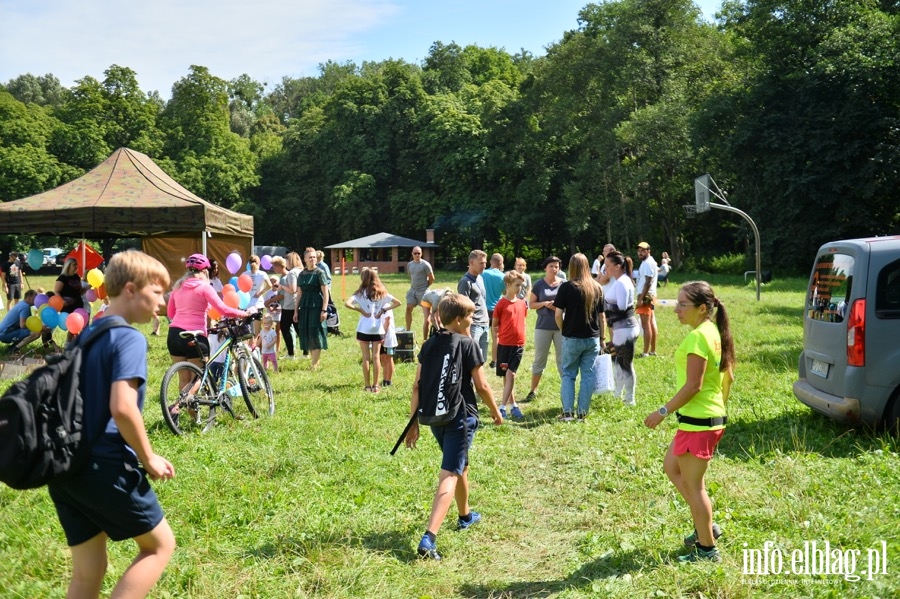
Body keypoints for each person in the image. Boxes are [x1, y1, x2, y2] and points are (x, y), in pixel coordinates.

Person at [47, 250, 176, 598]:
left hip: (64, 465)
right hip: (103, 463)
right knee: (159, 546)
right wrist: (148, 457)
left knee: (89, 573)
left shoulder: (87, 335)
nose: (161, 303)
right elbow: (122, 407)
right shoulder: (129, 338)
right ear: (131, 290)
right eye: (157, 292)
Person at [404, 293, 503, 561]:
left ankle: (465, 516)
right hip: (460, 417)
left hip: (435, 418)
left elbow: (417, 385)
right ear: (459, 320)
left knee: (460, 465)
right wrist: (496, 412)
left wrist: (413, 424)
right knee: (450, 472)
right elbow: (481, 386)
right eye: (470, 315)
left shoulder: (428, 344)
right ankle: (429, 539)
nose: (473, 319)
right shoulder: (468, 344)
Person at [643, 281, 735, 562]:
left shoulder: (699, 337)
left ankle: (707, 548)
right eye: (677, 303)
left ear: (703, 308)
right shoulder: (711, 331)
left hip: (700, 421)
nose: (677, 310)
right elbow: (727, 377)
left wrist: (661, 412)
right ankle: (706, 524)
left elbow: (693, 385)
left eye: (683, 305)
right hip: (700, 420)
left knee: (696, 488)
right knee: (671, 467)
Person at [166, 254, 247, 388]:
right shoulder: (205, 287)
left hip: (174, 335)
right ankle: (181, 404)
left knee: (183, 379)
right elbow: (223, 309)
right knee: (198, 377)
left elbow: (170, 313)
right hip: (195, 336)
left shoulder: (178, 287)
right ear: (204, 271)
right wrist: (243, 314)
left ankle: (183, 406)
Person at [553, 253, 603, 421]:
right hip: (592, 338)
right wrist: (602, 338)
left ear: (571, 267)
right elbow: (602, 317)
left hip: (571, 337)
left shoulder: (566, 287)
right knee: (588, 375)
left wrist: (563, 329)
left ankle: (567, 413)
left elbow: (558, 315)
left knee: (568, 374)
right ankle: (582, 413)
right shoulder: (597, 287)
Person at [345, 268, 401, 392]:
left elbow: (347, 303)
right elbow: (398, 302)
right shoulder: (382, 292)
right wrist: (383, 310)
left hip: (364, 328)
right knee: (376, 357)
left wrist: (360, 310)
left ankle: (366, 385)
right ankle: (376, 386)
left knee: (365, 357)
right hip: (378, 329)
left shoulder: (360, 293)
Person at [524, 256, 564, 403]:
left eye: (557, 266)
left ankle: (565, 390)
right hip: (543, 326)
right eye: (551, 266)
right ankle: (533, 390)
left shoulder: (564, 284)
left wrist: (558, 308)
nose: (554, 269)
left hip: (561, 327)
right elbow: (531, 304)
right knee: (540, 359)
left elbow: (570, 305)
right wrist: (545, 303)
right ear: (545, 268)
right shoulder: (539, 284)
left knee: (563, 360)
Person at [604, 251, 641, 406]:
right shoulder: (621, 280)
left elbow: (622, 306)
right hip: (622, 328)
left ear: (618, 266)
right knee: (618, 361)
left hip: (625, 329)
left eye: (608, 265)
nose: (605, 269)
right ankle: (619, 393)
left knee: (625, 363)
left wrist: (603, 306)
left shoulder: (621, 282)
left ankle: (630, 398)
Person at [491, 270, 527, 420]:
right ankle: (514, 406)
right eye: (517, 285)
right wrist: (496, 346)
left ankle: (501, 407)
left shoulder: (522, 303)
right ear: (508, 285)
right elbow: (494, 326)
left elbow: (523, 322)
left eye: (521, 285)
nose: (520, 288)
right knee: (507, 377)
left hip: (518, 345)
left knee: (511, 374)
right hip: (505, 345)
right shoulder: (501, 304)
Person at [295, 247, 330, 370]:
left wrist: (324, 310)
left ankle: (314, 364)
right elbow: (299, 294)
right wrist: (295, 311)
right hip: (304, 306)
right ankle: (314, 360)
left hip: (316, 305)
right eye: (310, 257)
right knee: (307, 332)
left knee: (316, 332)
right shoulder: (301, 274)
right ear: (304, 259)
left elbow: (326, 293)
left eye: (314, 257)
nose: (313, 259)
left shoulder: (320, 273)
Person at [457, 250, 489, 361]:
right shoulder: (465, 282)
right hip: (474, 326)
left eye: (485, 263)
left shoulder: (480, 278)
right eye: (481, 263)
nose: (484, 266)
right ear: (471, 262)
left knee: (482, 360)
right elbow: (462, 308)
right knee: (471, 360)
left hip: (485, 324)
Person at [271, 254, 301, 359]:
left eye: (274, 267)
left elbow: (285, 293)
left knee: (285, 328)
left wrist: (270, 301)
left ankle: (291, 353)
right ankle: (304, 352)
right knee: (297, 329)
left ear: (279, 266)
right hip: (291, 305)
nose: (273, 269)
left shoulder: (285, 277)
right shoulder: (285, 275)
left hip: (289, 306)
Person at [405, 246, 435, 341]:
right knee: (408, 308)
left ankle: (425, 340)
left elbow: (432, 278)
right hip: (412, 290)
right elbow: (411, 276)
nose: (417, 255)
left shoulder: (425, 265)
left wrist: (425, 286)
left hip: (423, 292)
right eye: (415, 253)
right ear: (412, 254)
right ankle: (408, 331)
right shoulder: (409, 265)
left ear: (421, 254)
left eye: (419, 253)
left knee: (427, 318)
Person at [482, 253, 506, 368]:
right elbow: (505, 293)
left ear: (491, 261)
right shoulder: (503, 277)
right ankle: (494, 361)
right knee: (496, 336)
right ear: (501, 263)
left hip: (484, 309)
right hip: (497, 309)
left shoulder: (483, 273)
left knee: (482, 334)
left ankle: (479, 358)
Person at [56, 258, 88, 343]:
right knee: (73, 325)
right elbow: (57, 292)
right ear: (69, 266)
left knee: (78, 325)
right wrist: (62, 301)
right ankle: (68, 343)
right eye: (74, 265)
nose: (76, 267)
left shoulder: (77, 277)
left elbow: (79, 291)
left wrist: (87, 287)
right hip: (67, 305)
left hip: (78, 305)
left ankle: (72, 344)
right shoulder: (62, 278)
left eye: (77, 264)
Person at [636, 242, 659, 357]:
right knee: (650, 323)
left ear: (648, 251)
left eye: (643, 251)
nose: (640, 253)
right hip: (649, 295)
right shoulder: (648, 262)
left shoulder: (648, 263)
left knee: (646, 325)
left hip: (646, 297)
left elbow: (648, 282)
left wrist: (640, 299)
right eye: (639, 251)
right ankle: (652, 350)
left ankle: (645, 352)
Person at [593, 243, 617, 343]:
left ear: (611, 251)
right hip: (607, 297)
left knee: (612, 325)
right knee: (609, 323)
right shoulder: (605, 264)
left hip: (612, 299)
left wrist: (598, 277)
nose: (603, 252)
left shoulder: (612, 263)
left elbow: (603, 280)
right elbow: (599, 279)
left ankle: (614, 345)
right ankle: (613, 345)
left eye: (605, 250)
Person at [380, 305, 397, 387]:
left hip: (388, 338)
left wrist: (383, 335)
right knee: (383, 358)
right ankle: (384, 379)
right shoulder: (376, 304)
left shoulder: (386, 305)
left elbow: (388, 321)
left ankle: (388, 381)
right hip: (380, 336)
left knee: (388, 358)